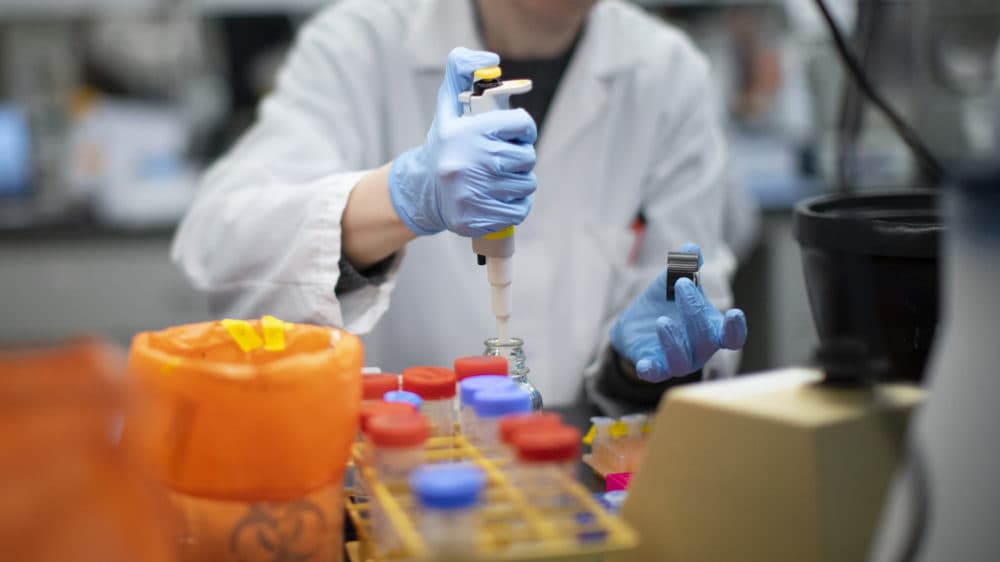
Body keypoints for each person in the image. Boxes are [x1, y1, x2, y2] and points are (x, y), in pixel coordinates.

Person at [172, 0, 748, 414]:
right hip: (395, 479)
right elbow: (220, 250)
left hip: (583, 484)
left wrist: (636, 372)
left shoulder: (670, 75)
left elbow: (687, 291)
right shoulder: (359, 42)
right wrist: (398, 198)